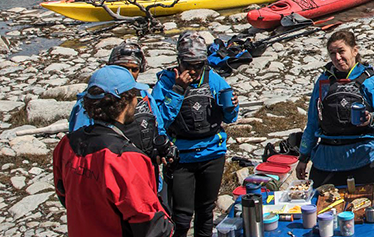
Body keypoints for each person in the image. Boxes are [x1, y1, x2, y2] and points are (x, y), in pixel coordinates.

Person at [53, 65, 173, 237]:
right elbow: (148, 223)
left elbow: (63, 193)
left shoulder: (67, 144)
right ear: (125, 102)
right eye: (135, 95)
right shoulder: (125, 158)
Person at [154, 31, 239, 237]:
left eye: (198, 65)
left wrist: (232, 106)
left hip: (212, 154)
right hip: (181, 157)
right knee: (181, 216)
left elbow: (230, 119)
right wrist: (177, 90)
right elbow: (159, 120)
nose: (193, 71)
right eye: (187, 65)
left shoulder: (215, 80)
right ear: (179, 61)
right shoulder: (166, 83)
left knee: (206, 211)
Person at [69, 42, 175, 204]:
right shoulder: (92, 103)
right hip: (111, 188)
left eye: (134, 69)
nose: (130, 74)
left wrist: (162, 149)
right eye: (123, 68)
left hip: (149, 181)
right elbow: (80, 149)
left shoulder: (144, 96)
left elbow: (158, 127)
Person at [295, 29, 374, 188]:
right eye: (332, 53)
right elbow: (313, 122)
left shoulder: (371, 81)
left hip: (363, 156)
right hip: (326, 158)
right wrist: (303, 157)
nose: (337, 58)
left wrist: (371, 119)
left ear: (355, 50)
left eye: (341, 51)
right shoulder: (323, 81)